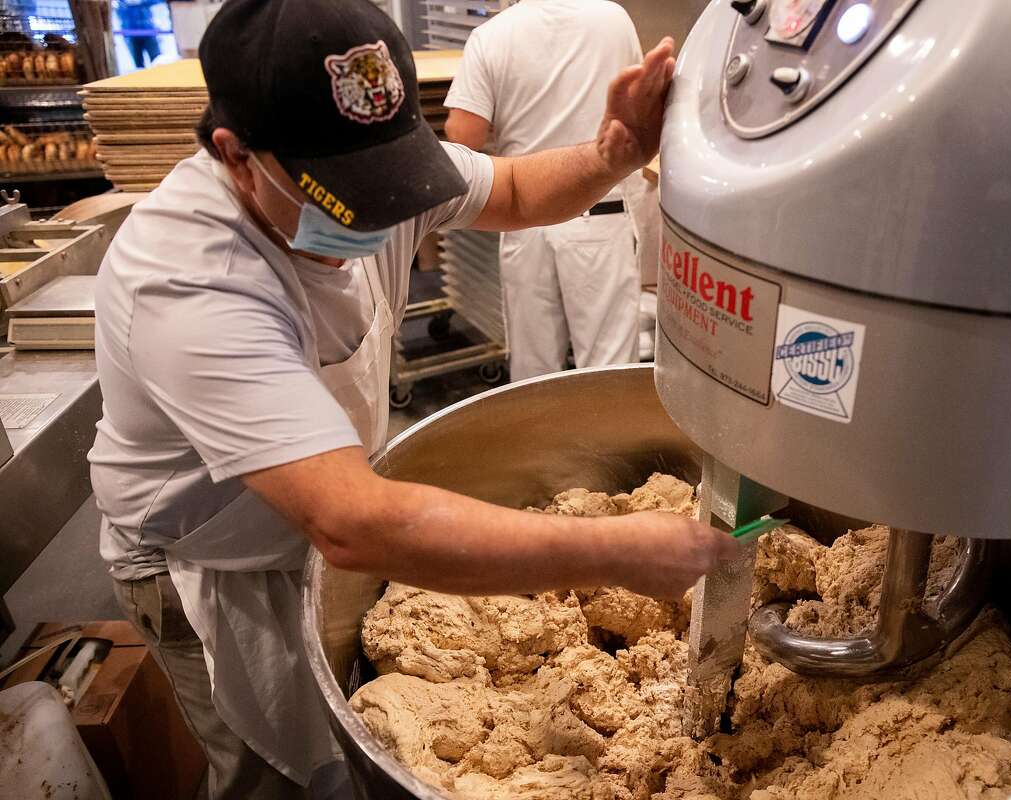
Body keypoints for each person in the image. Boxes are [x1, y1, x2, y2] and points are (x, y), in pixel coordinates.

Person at [88, 0, 735, 797]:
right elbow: (352, 523)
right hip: (210, 563)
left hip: (313, 516)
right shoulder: (190, 281)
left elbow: (519, 192)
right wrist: (617, 552)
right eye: (344, 198)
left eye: (391, 183)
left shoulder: (373, 169)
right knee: (273, 776)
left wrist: (616, 149)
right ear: (236, 154)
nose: (386, 214)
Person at [444, 0, 646, 381]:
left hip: (525, 215)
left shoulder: (492, 35)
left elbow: (462, 137)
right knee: (609, 368)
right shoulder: (614, 19)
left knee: (533, 372)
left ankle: (538, 440)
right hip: (600, 215)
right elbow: (635, 109)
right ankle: (609, 440)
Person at [115, 0, 163, 69]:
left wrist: (142, 1)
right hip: (130, 34)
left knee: (157, 61)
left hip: (148, 31)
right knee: (139, 66)